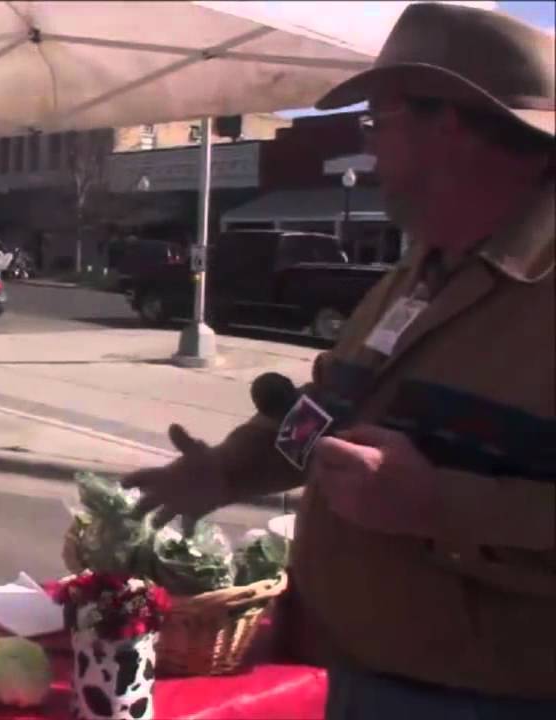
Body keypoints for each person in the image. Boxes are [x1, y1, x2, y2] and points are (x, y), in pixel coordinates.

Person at [122, 4, 554, 718]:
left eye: (376, 122)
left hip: (491, 695)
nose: (371, 149)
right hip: (340, 666)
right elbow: (328, 413)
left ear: (446, 122)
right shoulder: (417, 270)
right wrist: (229, 471)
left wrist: (437, 504)